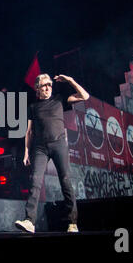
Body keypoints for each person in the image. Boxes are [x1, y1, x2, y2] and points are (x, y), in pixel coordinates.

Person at [15, 73, 89, 233]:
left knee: (66, 181)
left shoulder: (59, 100)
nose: (48, 87)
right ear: (37, 89)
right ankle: (29, 221)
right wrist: (26, 152)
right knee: (35, 181)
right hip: (40, 148)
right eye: (44, 85)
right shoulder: (33, 107)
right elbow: (29, 132)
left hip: (59, 144)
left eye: (50, 84)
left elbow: (85, 96)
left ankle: (72, 223)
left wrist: (70, 80)